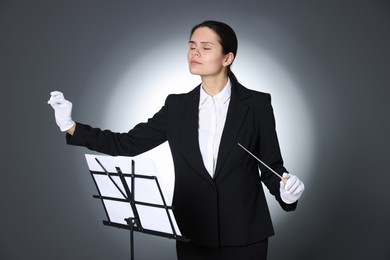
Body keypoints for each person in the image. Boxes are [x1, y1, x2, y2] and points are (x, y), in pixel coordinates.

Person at [48, 20, 304, 260]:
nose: (195, 52)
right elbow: (126, 144)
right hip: (192, 233)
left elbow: (270, 165)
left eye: (205, 47)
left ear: (228, 58)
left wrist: (285, 192)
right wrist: (70, 126)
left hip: (246, 235)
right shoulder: (176, 106)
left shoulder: (257, 104)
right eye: (192, 46)